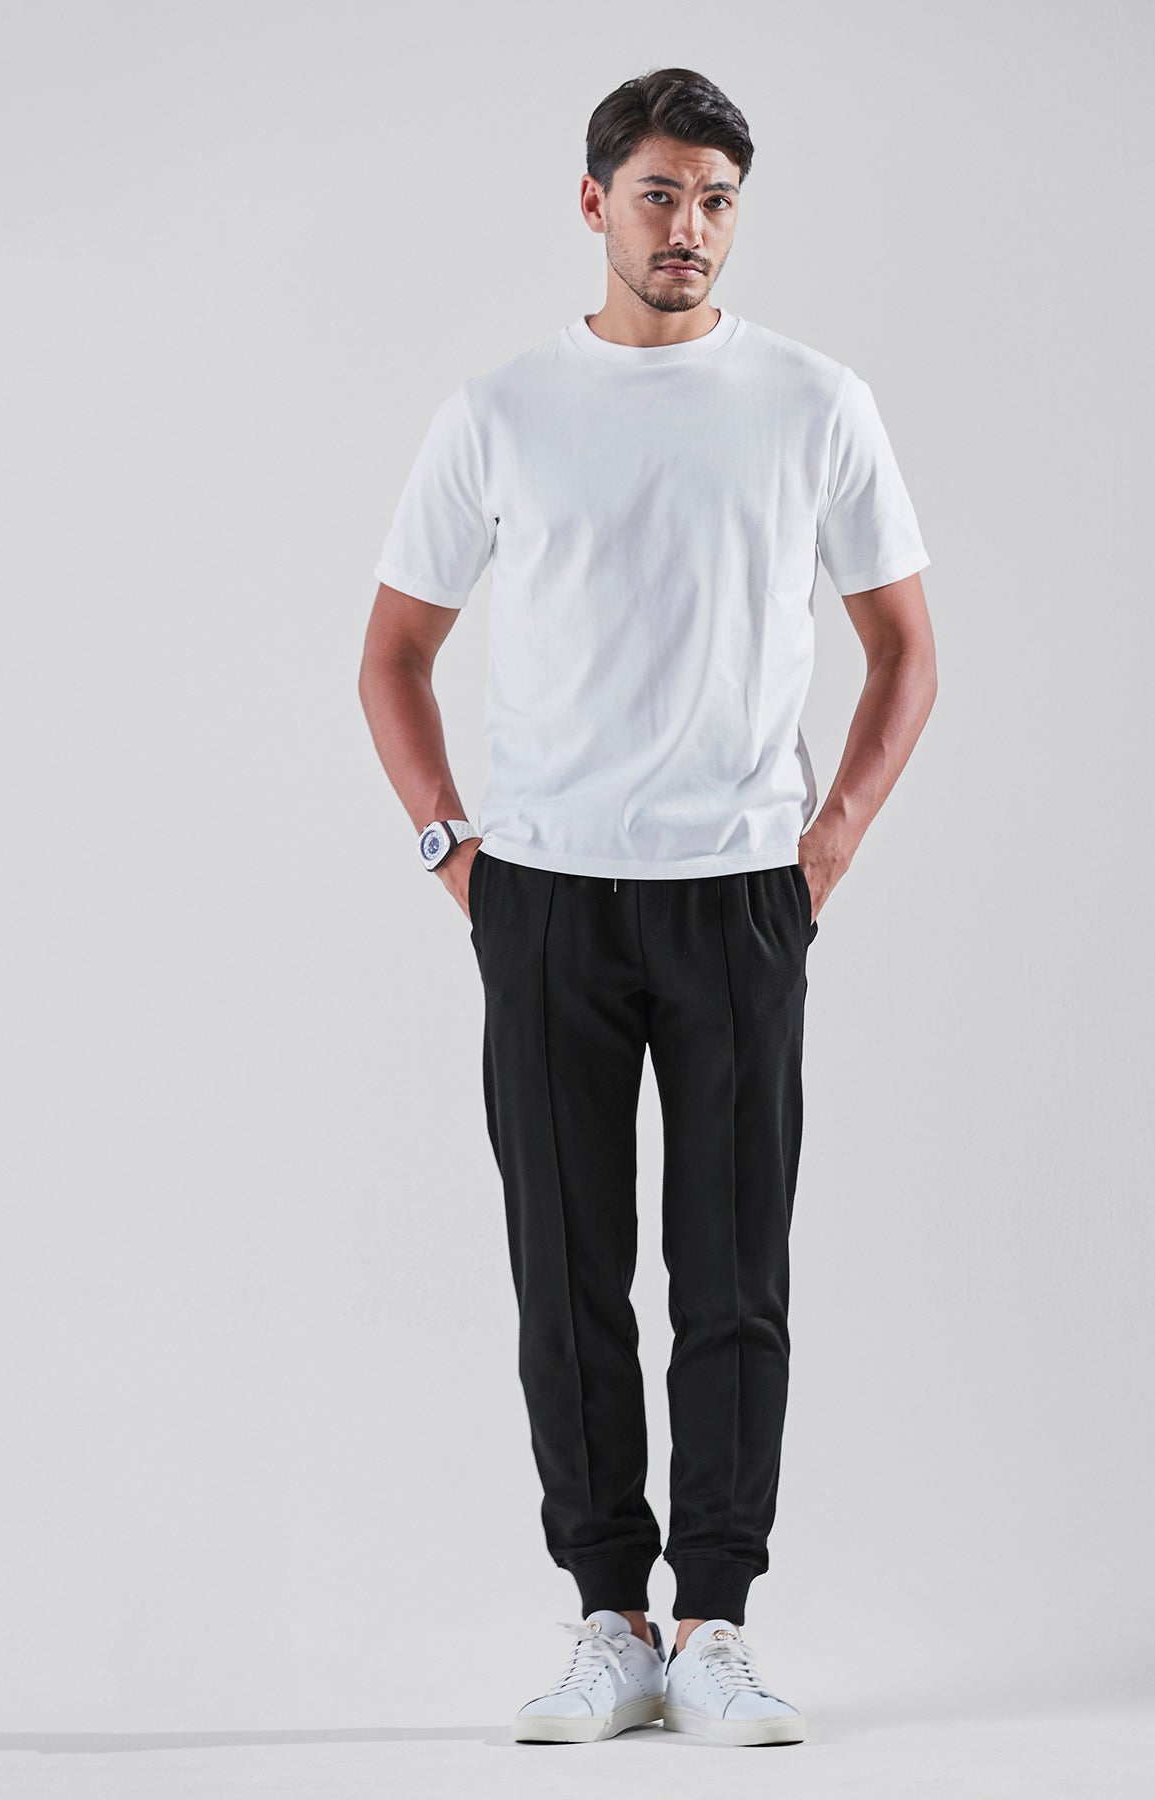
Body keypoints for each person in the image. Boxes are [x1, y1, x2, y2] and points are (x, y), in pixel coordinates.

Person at [357, 67, 936, 1747]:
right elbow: (394, 653)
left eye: (718, 199)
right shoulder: (501, 413)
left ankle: (716, 1626)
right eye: (662, 193)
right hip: (544, 900)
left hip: (739, 898)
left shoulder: (815, 402)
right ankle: (607, 1620)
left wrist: (826, 850)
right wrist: (454, 855)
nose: (690, 227)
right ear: (595, 200)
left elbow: (906, 647)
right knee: (568, 1271)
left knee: (732, 1274)